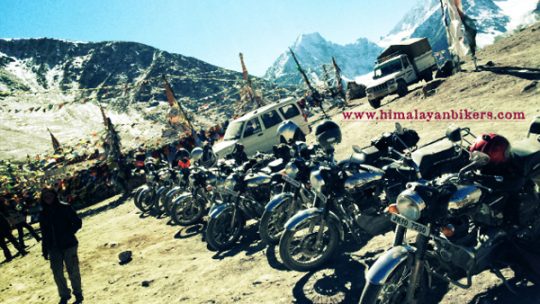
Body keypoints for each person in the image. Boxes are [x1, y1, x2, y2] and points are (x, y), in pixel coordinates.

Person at [40, 188, 83, 304]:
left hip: (69, 245)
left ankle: (78, 292)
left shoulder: (65, 207)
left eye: (50, 196)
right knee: (57, 273)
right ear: (43, 199)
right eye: (45, 197)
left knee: (73, 270)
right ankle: (64, 294)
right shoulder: (43, 214)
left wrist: (68, 233)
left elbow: (78, 223)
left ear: (54, 196)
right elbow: (44, 233)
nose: (48, 198)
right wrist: (44, 250)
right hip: (53, 248)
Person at [0, 197, 27, 262]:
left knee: (5, 244)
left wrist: (9, 227)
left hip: (4, 229)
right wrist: (9, 227)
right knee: (11, 242)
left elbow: (4, 220)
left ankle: (9, 256)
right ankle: (21, 251)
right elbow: (4, 220)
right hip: (4, 229)